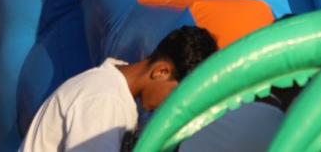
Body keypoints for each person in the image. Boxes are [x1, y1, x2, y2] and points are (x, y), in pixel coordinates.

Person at [19, 26, 218, 152]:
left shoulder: (110, 90)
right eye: (176, 98)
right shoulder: (106, 99)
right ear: (161, 71)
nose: (170, 109)